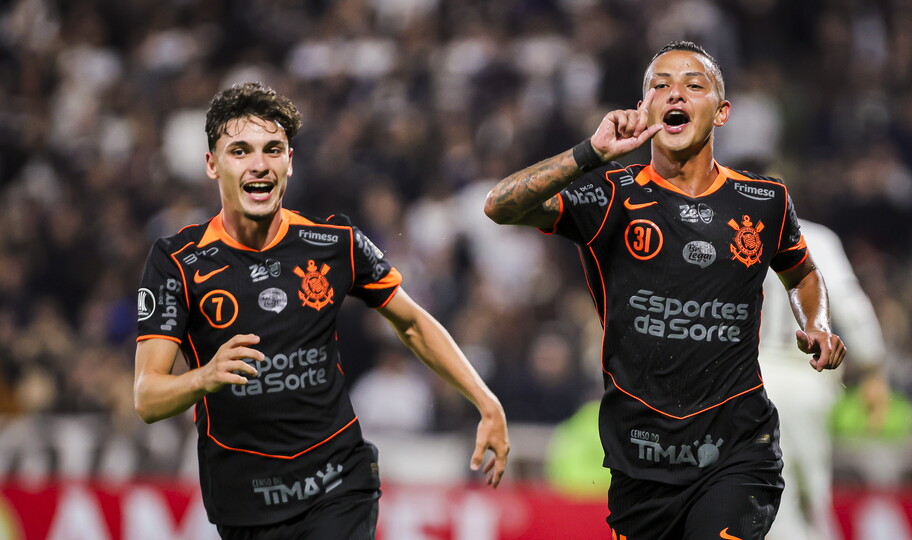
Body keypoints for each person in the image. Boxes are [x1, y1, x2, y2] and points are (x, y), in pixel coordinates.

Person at [484, 40, 846, 540]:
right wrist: (589, 153)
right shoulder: (611, 193)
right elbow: (498, 205)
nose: (675, 93)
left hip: (738, 451)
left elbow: (802, 272)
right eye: (661, 85)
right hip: (640, 461)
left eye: (693, 85)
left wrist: (817, 324)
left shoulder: (763, 200)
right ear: (643, 108)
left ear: (721, 113)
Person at [133, 81, 509, 539]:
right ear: (212, 165)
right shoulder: (176, 262)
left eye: (273, 149)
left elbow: (411, 323)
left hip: (337, 484)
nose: (259, 164)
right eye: (240, 151)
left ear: (289, 162)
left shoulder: (335, 244)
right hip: (244, 502)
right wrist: (205, 377)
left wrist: (486, 402)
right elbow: (147, 397)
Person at [759, 219, 887, 540]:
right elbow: (851, 304)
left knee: (761, 494)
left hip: (747, 378)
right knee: (810, 500)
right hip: (805, 375)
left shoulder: (728, 234)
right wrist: (873, 369)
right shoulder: (815, 237)